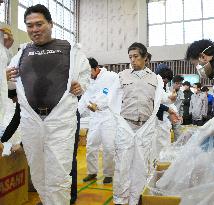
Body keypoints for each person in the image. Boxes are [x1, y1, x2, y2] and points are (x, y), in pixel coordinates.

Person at [6, 4, 90, 205]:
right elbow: (12, 86)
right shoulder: (22, 53)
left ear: (50, 23)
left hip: (59, 121)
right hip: (32, 122)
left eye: (39, 24)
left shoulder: (69, 48)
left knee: (59, 174)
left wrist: (82, 86)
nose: (34, 29)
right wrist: (7, 77)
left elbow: (85, 75)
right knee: (37, 171)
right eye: (29, 25)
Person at [110, 42, 176, 205]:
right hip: (126, 125)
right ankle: (120, 200)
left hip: (145, 128)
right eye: (130, 57)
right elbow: (110, 98)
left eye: (136, 56)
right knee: (122, 164)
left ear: (145, 58)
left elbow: (161, 97)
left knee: (141, 166)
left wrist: (171, 105)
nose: (133, 60)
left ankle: (135, 199)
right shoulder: (122, 76)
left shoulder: (156, 78)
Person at [79, 57, 117, 184]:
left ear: (96, 69)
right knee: (91, 145)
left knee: (109, 147)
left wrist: (99, 104)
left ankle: (108, 174)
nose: (88, 75)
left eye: (89, 72)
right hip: (94, 117)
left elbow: (113, 93)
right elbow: (85, 97)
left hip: (108, 116)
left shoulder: (110, 77)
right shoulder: (88, 80)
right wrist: (76, 113)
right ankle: (92, 172)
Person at [171, 75, 184, 141]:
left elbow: (181, 106)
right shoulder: (167, 91)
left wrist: (181, 116)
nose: (179, 85)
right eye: (178, 83)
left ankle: (177, 149)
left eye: (180, 83)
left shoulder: (181, 93)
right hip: (167, 118)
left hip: (177, 117)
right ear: (173, 83)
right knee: (166, 135)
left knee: (178, 136)